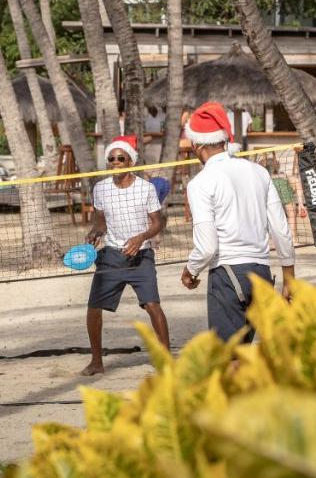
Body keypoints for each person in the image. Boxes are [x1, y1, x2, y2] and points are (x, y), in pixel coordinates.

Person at [179, 102, 296, 341]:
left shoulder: (200, 183)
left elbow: (207, 246)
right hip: (261, 274)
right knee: (246, 359)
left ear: (196, 144)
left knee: (230, 360)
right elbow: (281, 231)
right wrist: (289, 280)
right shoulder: (259, 172)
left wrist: (190, 270)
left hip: (228, 274)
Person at [80, 135, 168, 376]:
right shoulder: (101, 188)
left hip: (141, 255)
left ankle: (166, 360)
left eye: (121, 158)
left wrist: (141, 238)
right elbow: (99, 221)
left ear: (131, 161)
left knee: (153, 306)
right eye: (111, 158)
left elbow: (158, 223)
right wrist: (94, 232)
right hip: (111, 255)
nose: (115, 162)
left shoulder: (145, 188)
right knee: (93, 308)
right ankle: (96, 361)